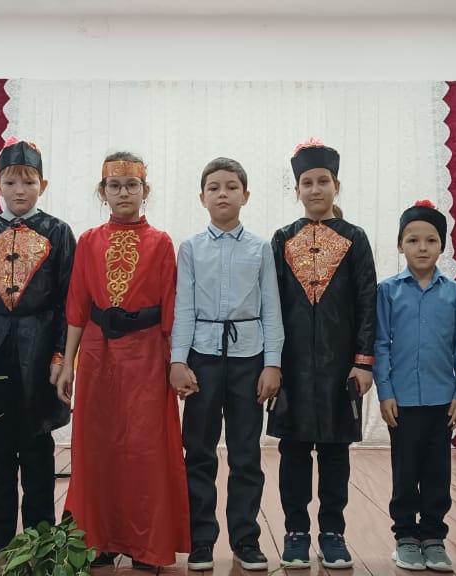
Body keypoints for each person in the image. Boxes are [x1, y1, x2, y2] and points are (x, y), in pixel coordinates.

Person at [56, 151, 190, 568]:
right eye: (114, 186)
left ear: (145, 190)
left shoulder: (162, 242)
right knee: (96, 448)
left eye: (132, 185)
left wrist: (175, 363)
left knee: (144, 448)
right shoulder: (88, 241)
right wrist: (68, 363)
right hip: (98, 354)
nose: (124, 193)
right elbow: (78, 306)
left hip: (147, 353)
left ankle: (146, 544)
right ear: (103, 192)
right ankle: (98, 539)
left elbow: (172, 307)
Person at [0, 140, 76, 560]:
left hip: (39, 351)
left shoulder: (58, 232)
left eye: (28, 182)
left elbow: (69, 300)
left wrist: (60, 356)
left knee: (37, 444)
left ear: (43, 185)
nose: (19, 190)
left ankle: (40, 535)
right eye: (11, 182)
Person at [268, 139, 377, 570]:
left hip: (339, 368)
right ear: (297, 189)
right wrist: (272, 364)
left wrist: (363, 362)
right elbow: (271, 305)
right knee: (293, 452)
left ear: (337, 185)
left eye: (323, 181)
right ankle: (295, 532)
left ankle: (333, 532)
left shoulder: (355, 239)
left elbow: (367, 301)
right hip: (292, 367)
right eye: (307, 182)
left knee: (335, 452)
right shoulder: (283, 239)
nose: (315, 189)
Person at [172, 157, 283, 571]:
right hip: (201, 358)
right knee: (199, 450)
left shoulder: (260, 248)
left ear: (246, 195)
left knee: (245, 452)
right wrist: (178, 360)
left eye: (231, 187)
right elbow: (184, 308)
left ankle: (246, 539)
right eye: (214, 187)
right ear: (202, 197)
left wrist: (272, 364)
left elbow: (271, 308)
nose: (223, 194)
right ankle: (201, 540)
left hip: (247, 358)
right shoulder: (190, 248)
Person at [374, 200, 456, 572]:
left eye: (431, 240)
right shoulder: (387, 291)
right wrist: (385, 392)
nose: (422, 247)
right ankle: (405, 538)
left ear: (442, 245)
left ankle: (433, 537)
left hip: (443, 399)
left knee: (437, 472)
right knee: (405, 470)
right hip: (403, 401)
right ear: (400, 245)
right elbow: (381, 343)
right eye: (413, 240)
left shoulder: (455, 293)